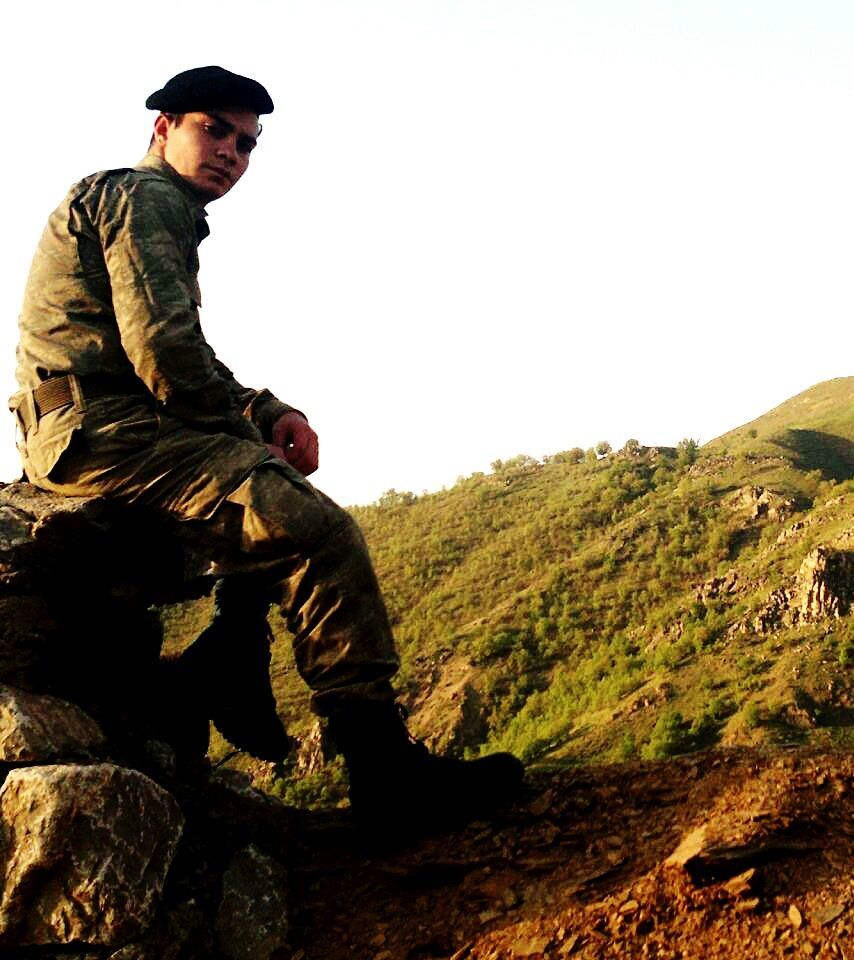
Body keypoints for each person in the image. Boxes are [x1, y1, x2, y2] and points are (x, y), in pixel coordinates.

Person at [9, 65, 522, 828]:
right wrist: (252, 431)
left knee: (264, 487)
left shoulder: (145, 206)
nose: (231, 153)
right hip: (105, 434)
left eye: (247, 144)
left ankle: (231, 652)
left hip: (99, 427)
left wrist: (264, 406)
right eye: (213, 129)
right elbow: (167, 359)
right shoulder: (146, 198)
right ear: (163, 128)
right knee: (316, 530)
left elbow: (178, 356)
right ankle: (383, 774)